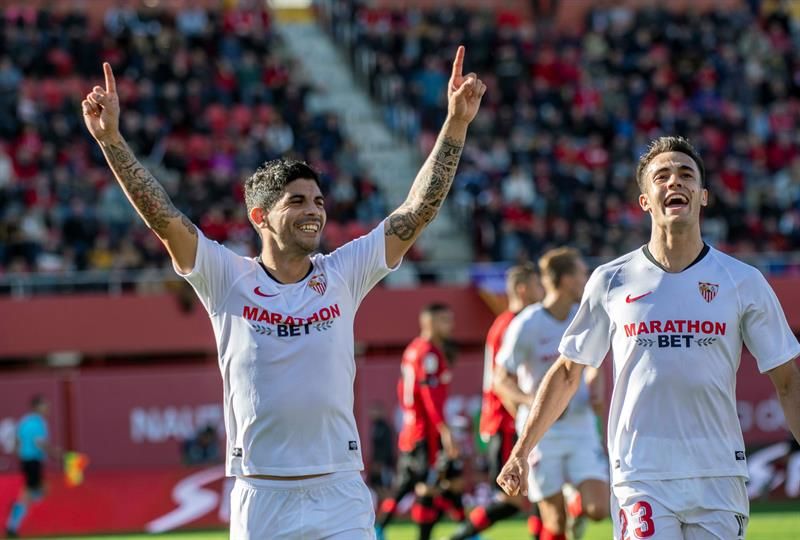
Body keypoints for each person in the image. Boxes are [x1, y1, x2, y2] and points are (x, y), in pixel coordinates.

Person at [82, 47, 485, 539]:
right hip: (261, 494)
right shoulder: (225, 277)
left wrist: (456, 125)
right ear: (260, 217)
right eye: (296, 201)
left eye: (318, 200)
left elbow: (416, 210)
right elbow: (163, 217)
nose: (314, 210)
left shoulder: (343, 272)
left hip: (339, 490)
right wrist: (111, 142)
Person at [498, 136, 800, 540]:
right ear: (645, 200)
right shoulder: (611, 280)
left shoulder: (743, 282)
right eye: (662, 176)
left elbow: (788, 382)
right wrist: (521, 450)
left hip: (719, 471)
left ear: (703, 195)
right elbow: (569, 372)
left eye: (685, 174)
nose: (674, 182)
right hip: (641, 472)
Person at [493, 248, 608, 540]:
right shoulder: (526, 324)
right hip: (542, 434)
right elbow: (501, 379)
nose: (586, 278)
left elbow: (595, 365)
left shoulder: (583, 318)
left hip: (579, 427)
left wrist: (595, 386)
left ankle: (577, 503)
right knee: (554, 521)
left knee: (599, 508)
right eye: (582, 272)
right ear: (567, 279)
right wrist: (534, 402)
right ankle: (567, 509)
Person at [448, 263, 544, 540]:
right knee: (515, 498)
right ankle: (458, 536)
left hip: (510, 422)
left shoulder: (512, 322)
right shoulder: (512, 324)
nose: (542, 292)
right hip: (506, 422)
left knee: (539, 492)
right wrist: (527, 424)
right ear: (523, 289)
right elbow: (502, 384)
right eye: (538, 286)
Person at [375, 303, 461, 540]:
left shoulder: (413, 349)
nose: (450, 325)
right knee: (428, 486)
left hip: (412, 427)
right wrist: (444, 429)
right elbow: (430, 396)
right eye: (445, 320)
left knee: (409, 485)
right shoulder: (429, 353)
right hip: (426, 430)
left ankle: (379, 528)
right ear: (429, 322)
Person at [5, 396, 54, 538]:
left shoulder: (24, 422)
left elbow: (16, 441)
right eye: (45, 405)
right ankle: (14, 518)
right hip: (33, 461)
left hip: (26, 461)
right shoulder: (38, 423)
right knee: (33, 493)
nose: (47, 409)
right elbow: (40, 443)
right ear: (37, 407)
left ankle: (14, 520)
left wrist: (19, 452)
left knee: (32, 492)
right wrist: (57, 454)